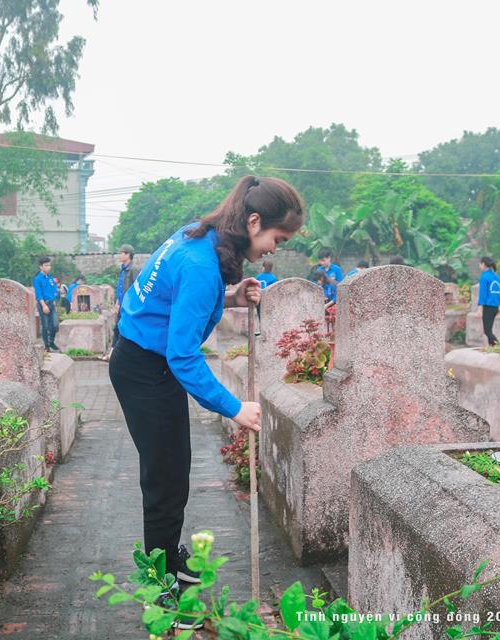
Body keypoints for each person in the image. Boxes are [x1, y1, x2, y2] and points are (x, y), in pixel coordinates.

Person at [110, 175, 304, 620]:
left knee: (174, 472)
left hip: (146, 361)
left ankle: (167, 557)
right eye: (279, 237)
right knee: (163, 481)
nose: (276, 248)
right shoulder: (200, 264)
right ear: (254, 221)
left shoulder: (199, 236)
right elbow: (182, 356)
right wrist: (235, 408)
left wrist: (233, 295)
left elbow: (179, 300)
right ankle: (160, 593)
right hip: (147, 370)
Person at [33, 257, 60, 351]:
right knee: (45, 325)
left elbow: (54, 291)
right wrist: (44, 305)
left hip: (52, 304)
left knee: (55, 325)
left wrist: (54, 303)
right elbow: (38, 294)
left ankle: (51, 342)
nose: (49, 267)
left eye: (49, 265)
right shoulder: (38, 279)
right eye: (46, 265)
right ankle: (47, 346)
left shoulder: (50, 278)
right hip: (43, 304)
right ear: (41, 267)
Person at [478, 257, 500, 349]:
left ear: (484, 264)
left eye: (480, 264)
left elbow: (483, 294)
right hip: (495, 306)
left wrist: (480, 308)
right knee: (489, 329)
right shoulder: (496, 277)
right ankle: (492, 348)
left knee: (487, 331)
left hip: (488, 306)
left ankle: (497, 346)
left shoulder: (484, 277)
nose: (479, 266)